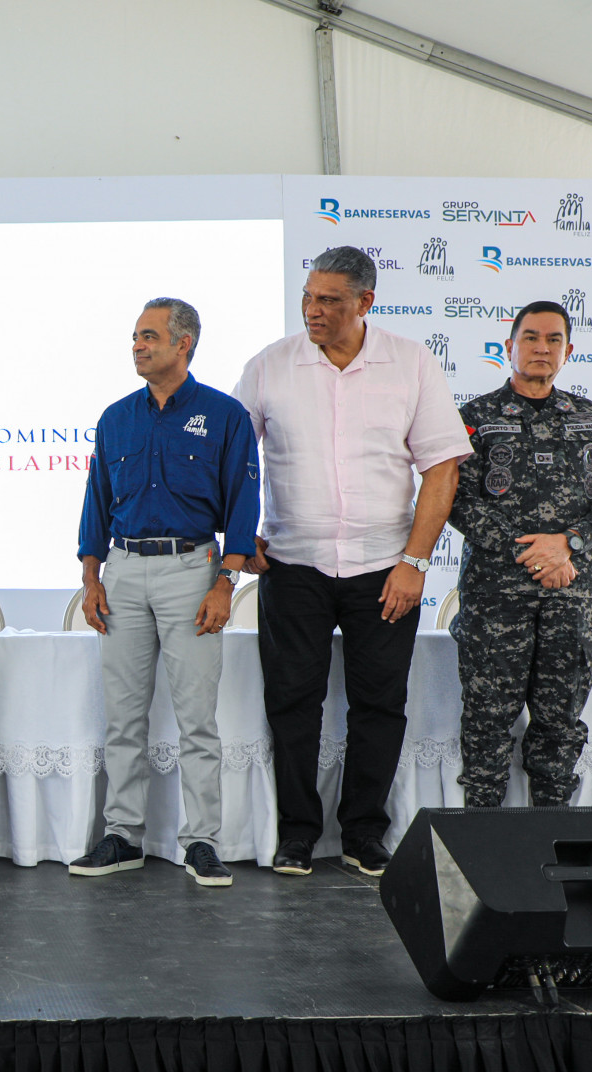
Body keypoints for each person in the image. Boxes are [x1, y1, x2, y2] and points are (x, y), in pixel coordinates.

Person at [235, 246, 471, 878]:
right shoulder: (270, 366)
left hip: (385, 568)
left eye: (329, 300)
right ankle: (296, 835)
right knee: (292, 703)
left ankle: (364, 833)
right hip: (293, 564)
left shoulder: (411, 363)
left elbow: (442, 468)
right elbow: (233, 457)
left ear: (366, 301)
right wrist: (239, 535)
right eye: (308, 297)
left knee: (379, 704)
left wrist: (415, 562)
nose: (313, 310)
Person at [71, 299, 260, 884]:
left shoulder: (225, 415)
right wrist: (91, 577)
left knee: (196, 721)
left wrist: (226, 581)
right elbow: (97, 502)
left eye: (149, 336)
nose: (137, 346)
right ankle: (122, 836)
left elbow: (243, 503)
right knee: (123, 720)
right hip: (123, 572)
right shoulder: (115, 418)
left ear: (184, 344)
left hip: (193, 570)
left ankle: (201, 840)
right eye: (134, 337)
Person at [449, 301, 592, 808]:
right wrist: (534, 553)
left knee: (560, 723)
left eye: (554, 339)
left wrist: (568, 543)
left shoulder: (590, 418)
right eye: (530, 337)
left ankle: (553, 833)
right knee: (487, 720)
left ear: (568, 351)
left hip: (570, 595)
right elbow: (457, 500)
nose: (541, 348)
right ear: (509, 346)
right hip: (496, 596)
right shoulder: (475, 418)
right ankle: (482, 838)